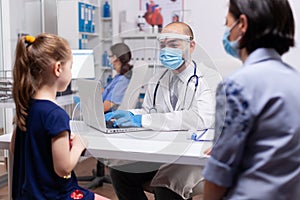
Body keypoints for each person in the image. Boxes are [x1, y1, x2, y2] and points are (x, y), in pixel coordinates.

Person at [105, 22, 216, 200]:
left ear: (191, 46)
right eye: (163, 45)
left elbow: (198, 118)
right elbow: (149, 112)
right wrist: (133, 115)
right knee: (120, 171)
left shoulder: (207, 79)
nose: (166, 50)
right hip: (163, 151)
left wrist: (143, 120)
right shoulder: (158, 79)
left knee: (167, 182)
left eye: (173, 44)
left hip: (193, 156)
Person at [202, 0, 300, 199]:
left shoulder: (237, 85)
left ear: (243, 25)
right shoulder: (295, 81)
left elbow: (219, 173)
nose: (227, 31)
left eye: (227, 23)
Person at [10, 33, 110, 200]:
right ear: (58, 68)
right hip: (54, 195)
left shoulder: (25, 107)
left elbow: (15, 148)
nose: (71, 72)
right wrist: (78, 145)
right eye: (70, 67)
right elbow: (63, 169)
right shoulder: (56, 115)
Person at [102, 43, 133, 113]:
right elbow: (110, 92)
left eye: (111, 56)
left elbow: (106, 107)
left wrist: (88, 108)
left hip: (107, 117)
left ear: (116, 58)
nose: (109, 59)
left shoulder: (122, 80)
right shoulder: (119, 77)